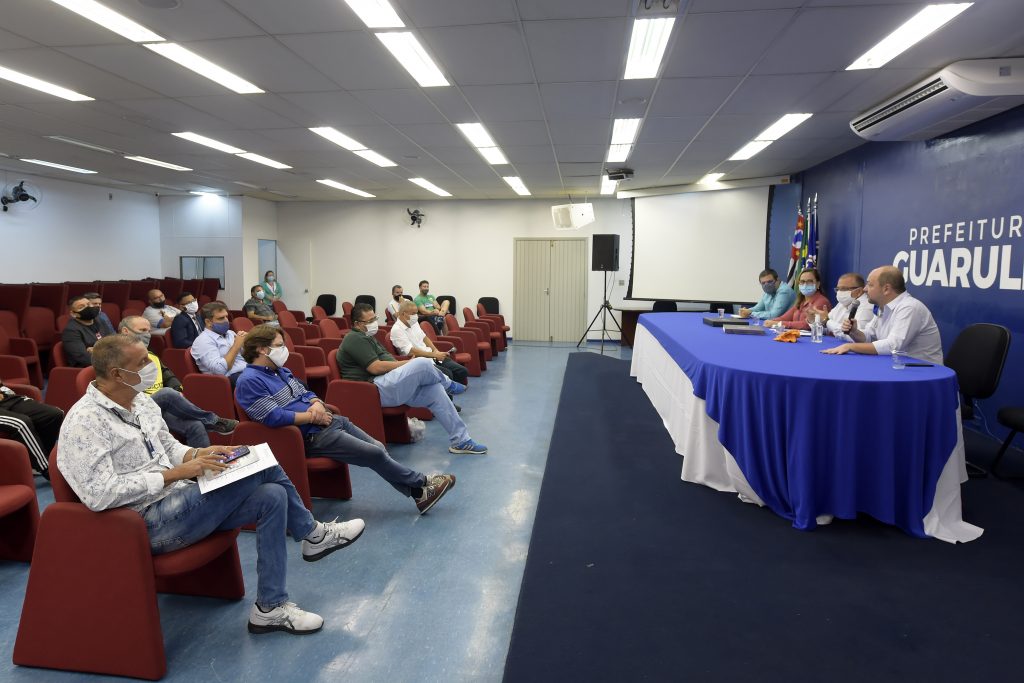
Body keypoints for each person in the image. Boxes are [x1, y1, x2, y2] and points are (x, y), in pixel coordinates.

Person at [57, 335, 365, 635]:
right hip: (140, 524)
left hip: (177, 503)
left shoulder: (142, 404)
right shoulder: (84, 421)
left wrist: (199, 454)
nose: (152, 367)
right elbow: (99, 494)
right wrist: (176, 474)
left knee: (271, 495)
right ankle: (314, 534)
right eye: (142, 363)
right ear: (117, 374)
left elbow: (169, 448)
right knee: (262, 469)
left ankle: (270, 607)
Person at [236, 326, 456, 515]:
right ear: (262, 349)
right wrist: (313, 416)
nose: (284, 349)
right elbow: (273, 417)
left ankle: (419, 494)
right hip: (310, 436)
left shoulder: (280, 371)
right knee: (375, 453)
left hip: (329, 421)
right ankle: (422, 483)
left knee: (378, 447)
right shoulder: (250, 381)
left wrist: (317, 403)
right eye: (279, 345)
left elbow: (306, 392)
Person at [338, 304, 487, 455]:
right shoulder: (354, 339)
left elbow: (387, 362)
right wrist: (407, 364)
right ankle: (448, 383)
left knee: (436, 390)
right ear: (357, 324)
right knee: (422, 363)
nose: (374, 323)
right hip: (373, 389)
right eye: (370, 321)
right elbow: (375, 368)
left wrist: (406, 365)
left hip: (388, 384)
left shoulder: (367, 337)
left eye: (374, 318)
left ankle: (461, 441)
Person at [120, 316, 237, 447]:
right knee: (166, 393)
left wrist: (177, 390)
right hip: (136, 407)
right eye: (142, 330)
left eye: (148, 331)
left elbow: (167, 374)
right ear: (125, 331)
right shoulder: (116, 356)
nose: (147, 335)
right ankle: (214, 422)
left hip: (159, 406)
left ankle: (205, 458)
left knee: (196, 425)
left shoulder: (150, 354)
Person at [822, 266, 944, 365]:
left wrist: (851, 347)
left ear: (886, 289)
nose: (865, 289)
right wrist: (854, 332)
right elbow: (870, 336)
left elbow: (893, 346)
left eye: (870, 285)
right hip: (898, 366)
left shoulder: (909, 307)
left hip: (923, 372)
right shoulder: (883, 307)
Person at [391, 299, 469, 388]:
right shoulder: (397, 329)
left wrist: (436, 351)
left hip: (431, 356)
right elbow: (410, 351)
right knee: (448, 374)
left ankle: (450, 389)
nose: (416, 316)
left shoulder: (413, 322)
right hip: (419, 362)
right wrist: (434, 355)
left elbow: (424, 338)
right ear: (403, 314)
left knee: (462, 371)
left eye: (416, 313)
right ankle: (446, 393)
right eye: (413, 313)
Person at [0, 377, 63, 478]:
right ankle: (48, 470)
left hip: (4, 396)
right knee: (20, 423)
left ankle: (37, 461)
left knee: (55, 414)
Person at [191, 302, 247, 386]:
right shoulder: (203, 341)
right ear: (208, 322)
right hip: (227, 380)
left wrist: (247, 343)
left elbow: (246, 356)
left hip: (246, 371)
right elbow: (219, 370)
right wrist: (236, 346)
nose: (226, 320)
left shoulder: (230, 333)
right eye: (221, 318)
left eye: (226, 316)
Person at [812, 272, 874, 341]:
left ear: (859, 291)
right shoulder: (842, 303)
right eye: (838, 289)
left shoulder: (866, 306)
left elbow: (854, 338)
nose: (839, 292)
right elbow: (826, 329)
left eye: (844, 289)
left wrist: (827, 321)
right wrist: (814, 321)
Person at [766, 268, 831, 330]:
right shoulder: (801, 301)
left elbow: (807, 324)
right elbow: (784, 318)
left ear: (818, 284)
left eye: (810, 281)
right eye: (802, 281)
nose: (805, 284)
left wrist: (779, 324)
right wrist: (771, 321)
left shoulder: (822, 301)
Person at [61, 295, 116, 367]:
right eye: (81, 307)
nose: (88, 307)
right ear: (73, 314)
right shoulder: (71, 331)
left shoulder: (100, 321)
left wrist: (97, 350)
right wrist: (111, 359)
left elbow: (115, 343)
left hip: (108, 363)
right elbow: (84, 358)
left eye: (89, 304)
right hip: (87, 369)